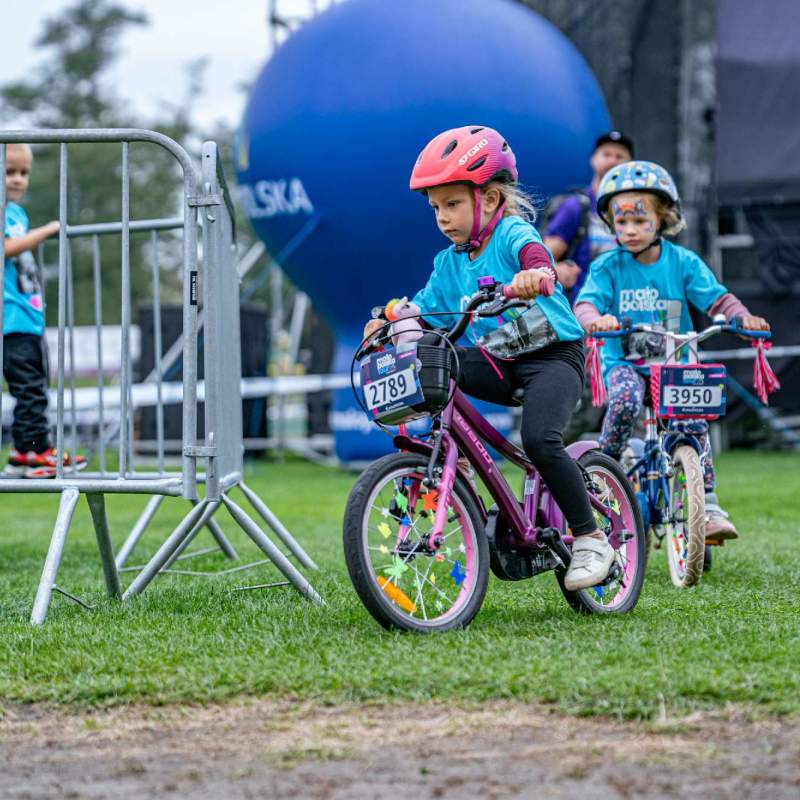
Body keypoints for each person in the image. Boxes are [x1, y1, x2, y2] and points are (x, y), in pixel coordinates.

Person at [363, 125, 615, 591]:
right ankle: (451, 458)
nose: (442, 217)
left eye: (453, 204)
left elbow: (535, 254)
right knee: (433, 356)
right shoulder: (449, 263)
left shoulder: (512, 233)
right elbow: (424, 311)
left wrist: (536, 274)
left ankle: (590, 538)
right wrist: (388, 319)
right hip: (499, 359)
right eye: (436, 207)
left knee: (540, 440)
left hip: (553, 356)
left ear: (492, 200)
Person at [574, 160, 770, 539]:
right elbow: (586, 304)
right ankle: (605, 472)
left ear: (663, 218)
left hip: (673, 363)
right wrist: (595, 319)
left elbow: (716, 299)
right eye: (621, 221)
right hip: (624, 363)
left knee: (692, 419)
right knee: (627, 401)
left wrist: (742, 317)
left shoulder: (682, 263)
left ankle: (707, 505)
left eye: (640, 221)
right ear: (610, 222)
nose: (629, 230)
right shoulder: (606, 267)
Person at [3, 142, 86, 477]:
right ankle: (37, 451)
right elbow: (6, 248)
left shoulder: (17, 213)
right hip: (10, 320)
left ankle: (24, 452)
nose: (19, 179)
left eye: (24, 172)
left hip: (29, 316)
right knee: (30, 391)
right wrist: (48, 230)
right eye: (9, 172)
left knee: (36, 387)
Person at [543, 130, 634, 303]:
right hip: (579, 313)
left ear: (631, 165)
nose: (613, 161)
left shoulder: (639, 212)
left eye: (620, 156)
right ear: (593, 160)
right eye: (606, 154)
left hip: (624, 311)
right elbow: (540, 260)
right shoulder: (575, 207)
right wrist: (555, 271)